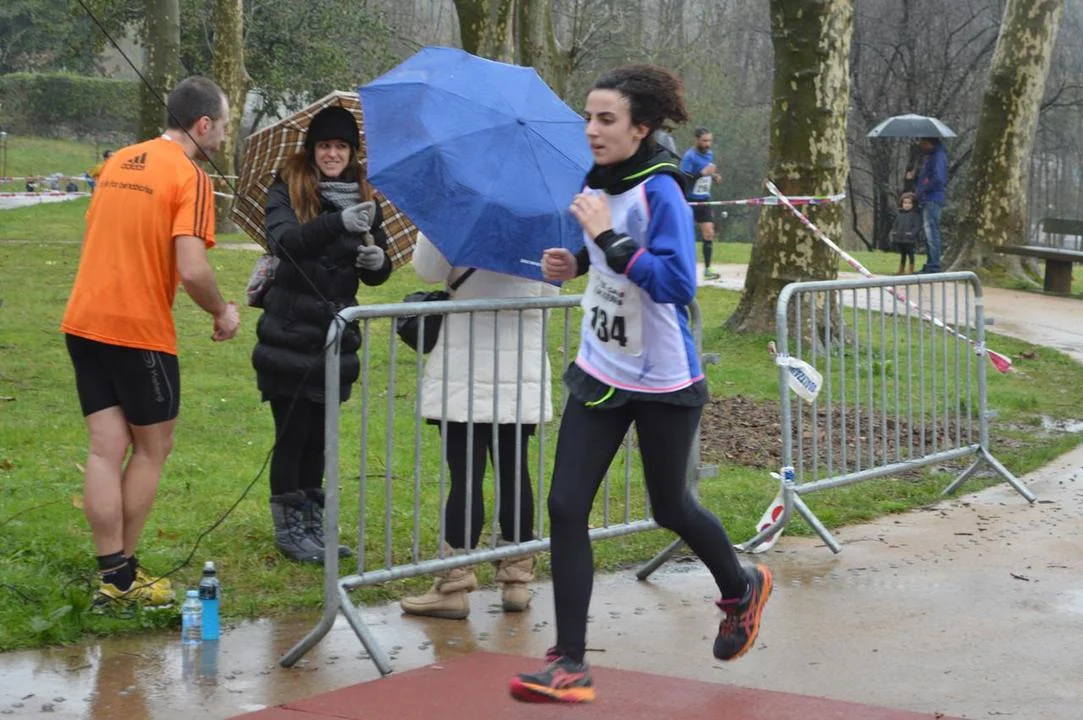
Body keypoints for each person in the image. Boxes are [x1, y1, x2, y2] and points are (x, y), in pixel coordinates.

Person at [509, 64, 772, 704]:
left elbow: (677, 283)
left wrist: (607, 236)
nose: (592, 130)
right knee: (566, 506)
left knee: (670, 506)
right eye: (588, 118)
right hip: (601, 369)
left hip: (662, 379)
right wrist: (575, 260)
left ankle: (742, 587)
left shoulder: (662, 190)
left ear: (641, 128)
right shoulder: (595, 180)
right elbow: (607, 258)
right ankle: (570, 662)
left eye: (606, 119)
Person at [60, 76, 241, 609]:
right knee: (152, 448)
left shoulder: (118, 160)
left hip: (82, 320)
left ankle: (112, 576)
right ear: (202, 125)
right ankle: (124, 575)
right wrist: (222, 311)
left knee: (105, 448)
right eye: (224, 126)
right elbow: (193, 269)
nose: (224, 137)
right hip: (137, 331)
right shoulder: (191, 177)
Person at [251, 105, 393, 563]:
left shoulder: (366, 198)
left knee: (320, 436)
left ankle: (314, 523)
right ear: (311, 150)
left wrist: (378, 263)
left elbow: (377, 268)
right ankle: (289, 527)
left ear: (353, 152)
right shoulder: (286, 188)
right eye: (325, 145)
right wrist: (337, 221)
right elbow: (284, 243)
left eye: (341, 146)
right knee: (293, 432)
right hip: (289, 335)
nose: (332, 154)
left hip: (334, 338)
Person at [399, 232, 555, 619]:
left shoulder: (457, 214)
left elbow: (427, 270)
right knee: (514, 470)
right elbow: (550, 292)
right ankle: (516, 582)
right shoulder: (543, 222)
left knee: (465, 475)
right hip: (520, 361)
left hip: (464, 362)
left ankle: (453, 586)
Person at [680, 127, 722, 280]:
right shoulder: (689, 157)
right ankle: (683, 268)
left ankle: (707, 269)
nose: (707, 144)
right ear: (696, 140)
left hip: (703, 199)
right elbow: (684, 180)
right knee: (684, 234)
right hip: (689, 200)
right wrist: (703, 173)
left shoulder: (709, 154)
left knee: (709, 232)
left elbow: (707, 172)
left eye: (710, 141)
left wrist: (714, 176)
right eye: (704, 141)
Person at [913, 137, 947, 273]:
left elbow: (938, 178)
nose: (922, 147)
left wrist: (923, 189)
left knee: (932, 233)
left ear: (931, 143)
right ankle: (930, 263)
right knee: (929, 234)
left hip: (932, 198)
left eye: (924, 144)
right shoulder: (931, 157)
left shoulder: (938, 157)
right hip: (927, 198)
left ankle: (934, 265)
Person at [890, 192, 921, 275]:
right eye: (905, 203)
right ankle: (901, 270)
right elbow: (895, 225)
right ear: (902, 203)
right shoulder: (900, 214)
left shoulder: (915, 215)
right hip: (900, 239)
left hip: (910, 240)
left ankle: (911, 270)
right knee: (903, 255)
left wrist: (911, 234)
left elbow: (917, 226)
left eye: (909, 203)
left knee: (911, 255)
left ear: (913, 204)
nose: (907, 205)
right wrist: (894, 233)